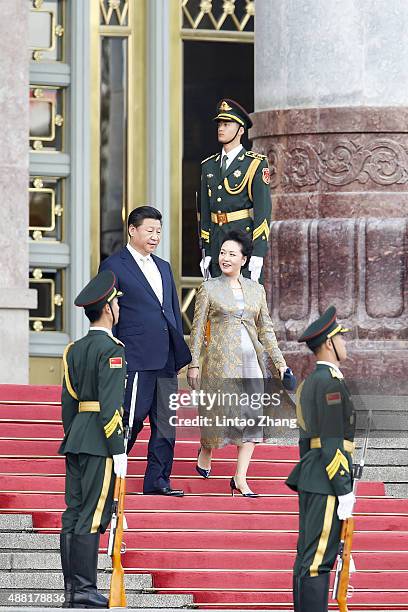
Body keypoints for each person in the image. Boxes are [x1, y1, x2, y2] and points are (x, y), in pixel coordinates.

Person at [187, 230, 288, 497]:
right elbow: (197, 330)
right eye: (222, 253)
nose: (225, 258)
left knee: (254, 417)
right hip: (220, 362)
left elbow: (266, 330)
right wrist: (194, 363)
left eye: (232, 254)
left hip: (252, 363)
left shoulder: (257, 290)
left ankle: (240, 478)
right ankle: (206, 448)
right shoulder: (209, 287)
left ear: (244, 259)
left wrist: (280, 364)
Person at [99, 206, 191, 496]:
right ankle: (110, 471)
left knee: (166, 423)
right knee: (132, 418)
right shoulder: (114, 265)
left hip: (165, 356)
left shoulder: (163, 266)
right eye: (150, 230)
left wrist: (180, 351)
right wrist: (112, 345)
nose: (155, 236)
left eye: (159, 232)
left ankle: (158, 480)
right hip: (135, 354)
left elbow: (172, 311)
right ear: (132, 230)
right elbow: (106, 308)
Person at [59, 269, 128, 609]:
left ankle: (73, 590)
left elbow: (68, 404)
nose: (119, 308)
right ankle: (85, 590)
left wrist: (73, 437)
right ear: (107, 309)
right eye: (116, 303)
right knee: (90, 513)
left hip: (76, 439)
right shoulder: (112, 350)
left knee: (72, 513)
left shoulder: (74, 349)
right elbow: (111, 406)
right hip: (101, 442)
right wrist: (118, 451)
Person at [285, 306, 356, 612]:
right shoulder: (330, 384)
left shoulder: (308, 383)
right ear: (329, 342)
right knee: (317, 562)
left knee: (307, 558)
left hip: (313, 473)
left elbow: (306, 442)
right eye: (341, 338)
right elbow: (330, 442)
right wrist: (344, 489)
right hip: (328, 479)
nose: (345, 343)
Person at [200, 99, 272, 282]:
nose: (221, 128)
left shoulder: (255, 163)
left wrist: (258, 253)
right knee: (218, 306)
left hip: (242, 243)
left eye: (226, 124)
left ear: (241, 130)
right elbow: (205, 212)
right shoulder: (208, 166)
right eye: (219, 124)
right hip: (217, 243)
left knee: (245, 304)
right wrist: (207, 250)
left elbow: (263, 212)